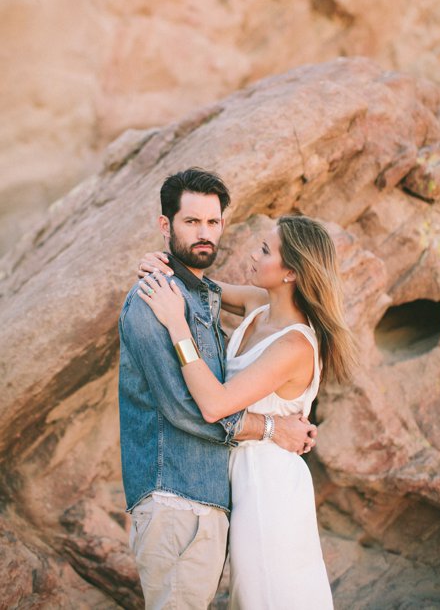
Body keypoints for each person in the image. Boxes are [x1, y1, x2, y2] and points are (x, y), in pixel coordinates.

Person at [118, 168, 318, 609]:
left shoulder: (285, 336)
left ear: (291, 273)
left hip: (245, 490)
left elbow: (213, 400)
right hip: (182, 494)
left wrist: (176, 309)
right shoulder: (165, 300)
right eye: (192, 222)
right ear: (165, 225)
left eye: (213, 222)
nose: (206, 233)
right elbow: (189, 407)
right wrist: (271, 427)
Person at [137, 213, 356, 609]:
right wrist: (161, 264)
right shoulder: (258, 306)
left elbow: (215, 405)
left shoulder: (295, 346)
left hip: (267, 487)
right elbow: (199, 285)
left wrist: (176, 326)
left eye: (265, 250)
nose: (253, 256)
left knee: (268, 595)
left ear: (291, 272)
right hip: (240, 476)